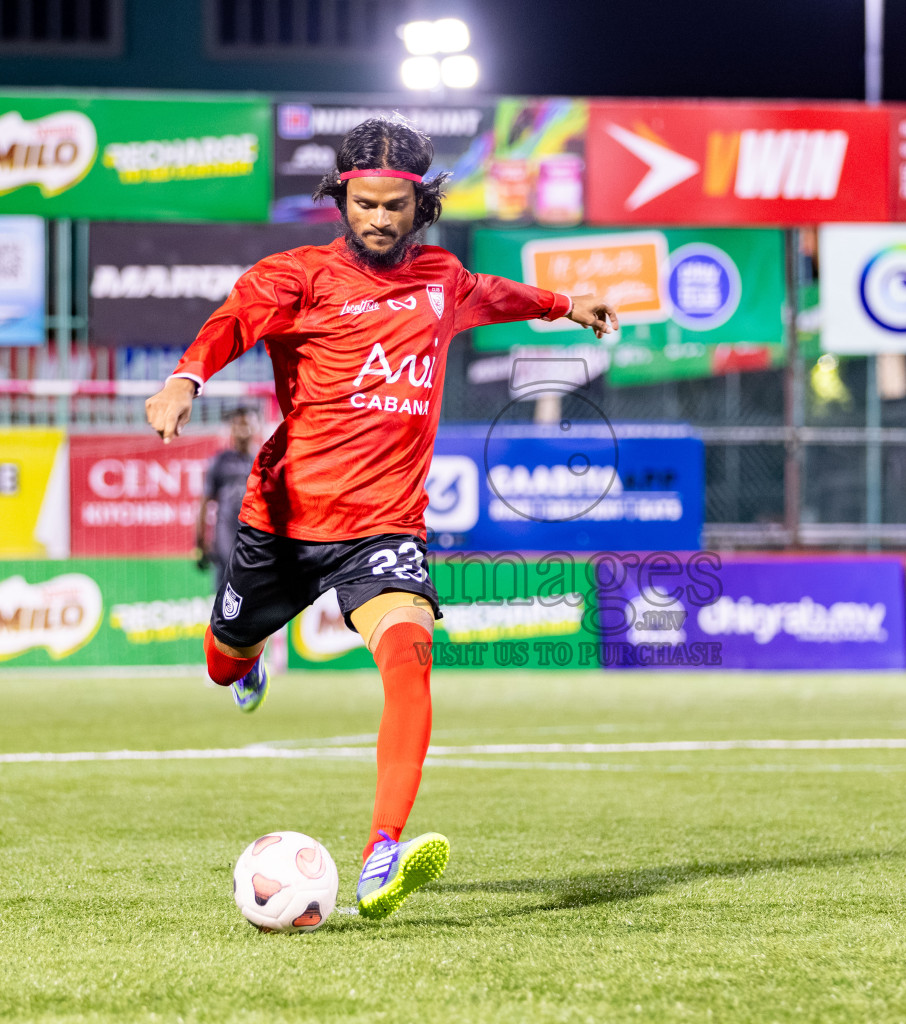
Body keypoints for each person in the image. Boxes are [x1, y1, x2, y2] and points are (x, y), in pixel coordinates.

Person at [143, 115, 618, 921]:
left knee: (410, 654)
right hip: (283, 525)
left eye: (394, 203)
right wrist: (187, 379)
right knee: (223, 661)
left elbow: (499, 296)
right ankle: (248, 656)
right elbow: (232, 322)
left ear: (418, 203)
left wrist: (568, 303)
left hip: (383, 529)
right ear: (343, 196)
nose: (377, 218)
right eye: (364, 202)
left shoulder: (442, 279)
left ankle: (380, 853)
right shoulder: (297, 276)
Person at [195, 406, 257, 592]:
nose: (242, 429)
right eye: (238, 424)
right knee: (224, 592)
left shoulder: (262, 460)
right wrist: (200, 541)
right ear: (232, 429)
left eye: (247, 423)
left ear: (255, 427)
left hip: (254, 536)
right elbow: (204, 502)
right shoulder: (220, 461)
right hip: (225, 535)